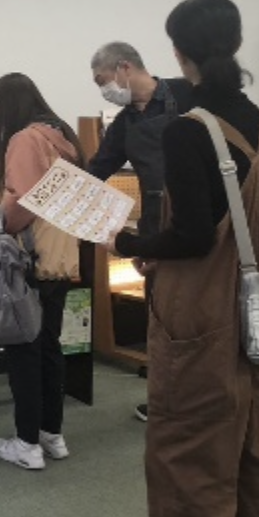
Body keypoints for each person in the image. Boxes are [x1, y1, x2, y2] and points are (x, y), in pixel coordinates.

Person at [107, 0, 259, 517]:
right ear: (236, 43)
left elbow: (192, 235)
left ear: (179, 54)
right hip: (250, 318)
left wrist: (130, 243)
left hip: (196, 324)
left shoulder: (189, 131)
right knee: (252, 460)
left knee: (188, 470)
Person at [87, 42, 193, 421]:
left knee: (196, 314)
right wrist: (56, 192)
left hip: (197, 219)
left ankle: (199, 398)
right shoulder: (125, 123)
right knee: (160, 316)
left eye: (102, 80)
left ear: (124, 67)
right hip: (154, 226)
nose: (104, 90)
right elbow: (98, 169)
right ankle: (166, 400)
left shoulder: (186, 95)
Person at [0, 73, 85, 470]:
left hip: (31, 258)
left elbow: (23, 202)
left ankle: (27, 444)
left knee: (24, 350)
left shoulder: (25, 139)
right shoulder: (63, 140)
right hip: (61, 257)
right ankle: (51, 434)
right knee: (49, 348)